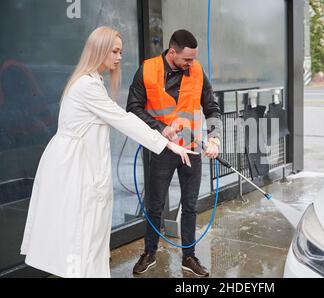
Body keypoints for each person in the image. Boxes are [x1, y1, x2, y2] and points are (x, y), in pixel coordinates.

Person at [20, 27, 197, 278]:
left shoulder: (93, 81)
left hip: (82, 167)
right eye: (114, 51)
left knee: (87, 238)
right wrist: (167, 143)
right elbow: (123, 119)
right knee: (79, 239)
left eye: (121, 51)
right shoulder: (86, 86)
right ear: (99, 49)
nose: (119, 57)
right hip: (75, 170)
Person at [127, 29, 222, 277]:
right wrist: (161, 128)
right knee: (155, 205)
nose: (192, 64)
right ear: (172, 52)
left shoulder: (197, 70)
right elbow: (132, 108)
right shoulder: (147, 70)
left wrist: (214, 136)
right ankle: (149, 253)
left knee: (190, 205)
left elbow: (211, 106)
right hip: (162, 148)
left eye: (193, 59)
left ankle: (188, 256)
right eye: (187, 59)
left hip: (191, 149)